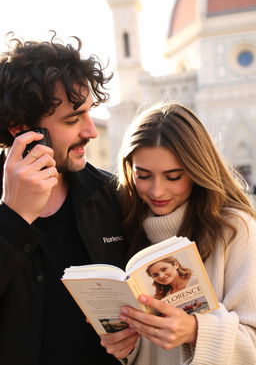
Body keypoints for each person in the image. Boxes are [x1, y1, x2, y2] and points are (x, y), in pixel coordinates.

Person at [0, 32, 138, 365]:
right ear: (22, 129)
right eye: (73, 119)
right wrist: (14, 218)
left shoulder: (115, 196)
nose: (90, 131)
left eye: (90, 114)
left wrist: (134, 336)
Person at [100, 102, 256, 364]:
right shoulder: (125, 224)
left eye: (173, 176)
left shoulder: (235, 229)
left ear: (197, 170)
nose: (157, 191)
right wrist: (124, 346)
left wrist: (195, 331)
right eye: (144, 175)